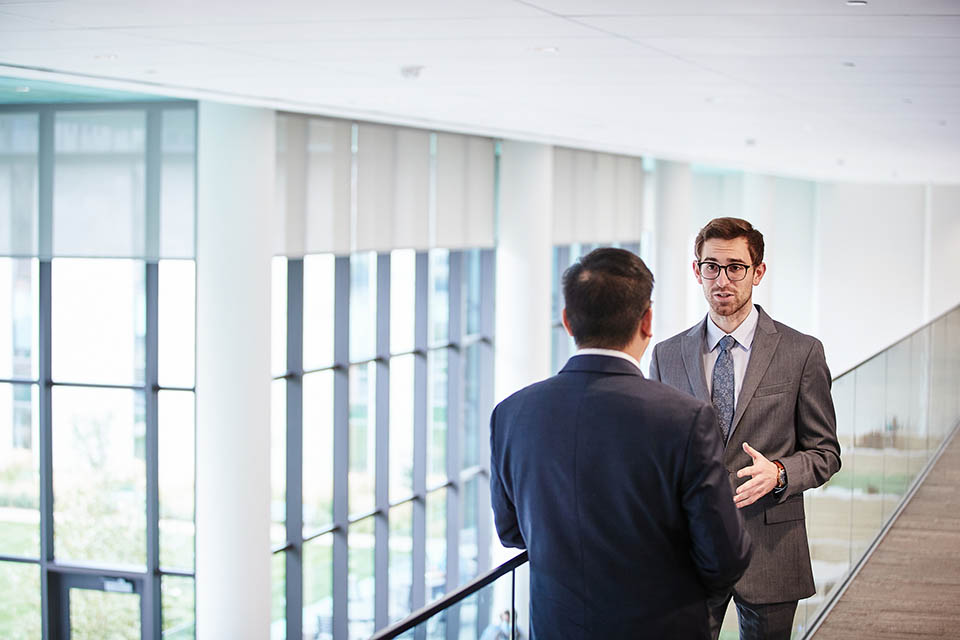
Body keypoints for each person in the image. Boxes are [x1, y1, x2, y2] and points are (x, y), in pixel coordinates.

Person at [490, 248, 751, 639]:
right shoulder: (686, 418)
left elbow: (511, 532)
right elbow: (724, 559)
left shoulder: (512, 413)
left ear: (567, 322)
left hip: (557, 627)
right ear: (647, 320)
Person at [649, 217, 841, 640]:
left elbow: (826, 454)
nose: (722, 278)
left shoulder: (802, 352)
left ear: (758, 272)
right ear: (696, 270)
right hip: (689, 551)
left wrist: (781, 473)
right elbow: (653, 456)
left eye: (735, 267)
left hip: (770, 546)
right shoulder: (666, 356)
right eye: (711, 266)